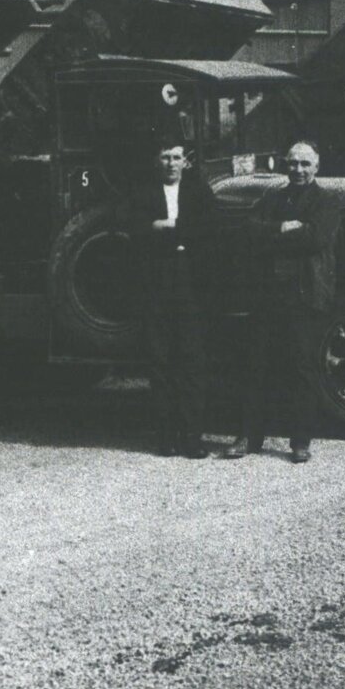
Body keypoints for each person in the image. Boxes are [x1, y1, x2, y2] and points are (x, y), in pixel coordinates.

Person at [230, 140, 339, 464]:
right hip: (268, 294)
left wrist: (272, 238)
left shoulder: (327, 201)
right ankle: (249, 437)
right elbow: (248, 230)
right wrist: (283, 227)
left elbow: (316, 239)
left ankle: (300, 442)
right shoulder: (273, 198)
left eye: (305, 164)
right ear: (285, 165)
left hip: (305, 294)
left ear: (317, 166)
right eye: (293, 163)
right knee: (256, 365)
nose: (298, 170)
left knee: (301, 369)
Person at [126, 141, 215, 457]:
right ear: (156, 161)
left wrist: (164, 226)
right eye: (165, 157)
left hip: (191, 282)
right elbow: (136, 230)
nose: (171, 163)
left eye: (176, 157)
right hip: (156, 282)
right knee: (160, 360)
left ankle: (192, 438)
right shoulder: (143, 193)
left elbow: (209, 229)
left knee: (191, 360)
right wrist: (181, 231)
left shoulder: (199, 192)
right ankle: (166, 437)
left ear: (185, 162)